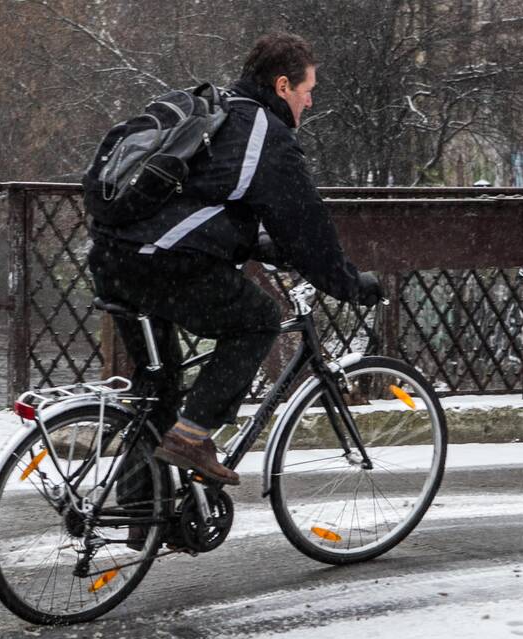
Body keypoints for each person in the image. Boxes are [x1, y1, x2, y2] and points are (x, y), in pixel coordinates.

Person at [88, 32, 383, 487]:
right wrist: (349, 284)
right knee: (258, 320)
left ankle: (143, 510)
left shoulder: (217, 112)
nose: (309, 105)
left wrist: (258, 246)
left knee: (160, 386)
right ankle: (191, 438)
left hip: (112, 257)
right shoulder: (267, 136)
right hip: (160, 266)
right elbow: (309, 230)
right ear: (283, 86)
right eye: (307, 93)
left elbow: (204, 204)